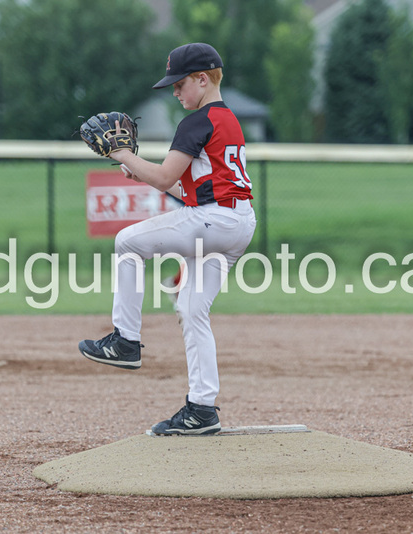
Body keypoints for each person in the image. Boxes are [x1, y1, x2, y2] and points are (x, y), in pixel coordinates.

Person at [79, 43, 256, 435]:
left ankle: (125, 341)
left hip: (214, 220)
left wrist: (122, 154)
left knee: (127, 242)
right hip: (237, 223)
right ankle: (202, 409)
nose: (175, 92)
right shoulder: (227, 118)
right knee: (192, 309)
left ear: (202, 79)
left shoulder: (196, 122)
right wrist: (137, 170)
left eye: (180, 84)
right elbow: (185, 187)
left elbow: (163, 177)